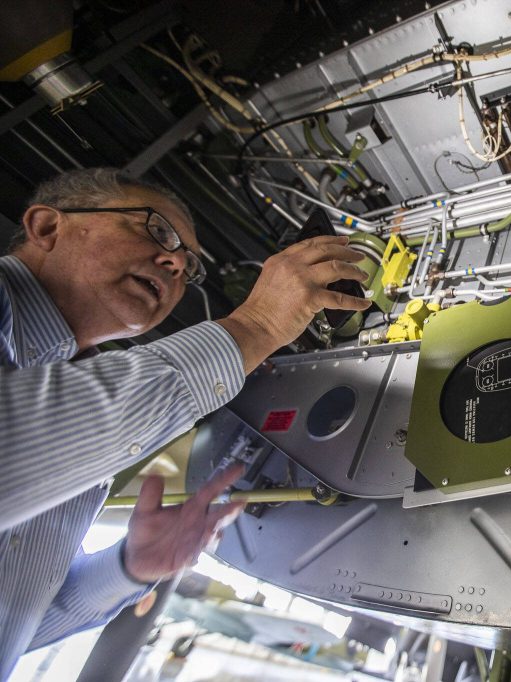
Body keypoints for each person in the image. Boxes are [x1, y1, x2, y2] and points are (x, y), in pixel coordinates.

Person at [0, 167, 369, 677]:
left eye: (190, 266)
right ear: (45, 227)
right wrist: (254, 326)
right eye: (157, 231)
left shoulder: (74, 387)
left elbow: (19, 629)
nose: (177, 264)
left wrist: (128, 566)